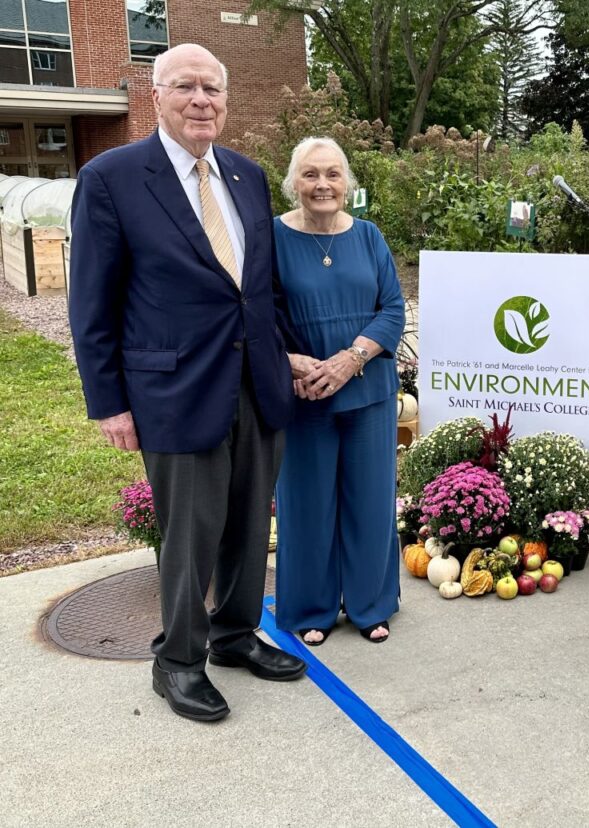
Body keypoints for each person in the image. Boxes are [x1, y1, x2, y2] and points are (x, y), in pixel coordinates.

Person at [68, 44, 307, 722]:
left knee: (247, 521)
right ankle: (177, 661)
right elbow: (91, 300)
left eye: (213, 89)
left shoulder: (246, 176)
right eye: (187, 88)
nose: (202, 100)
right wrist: (108, 400)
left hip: (255, 381)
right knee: (190, 534)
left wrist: (290, 357)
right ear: (157, 97)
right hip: (173, 390)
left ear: (227, 103)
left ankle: (234, 636)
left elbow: (260, 287)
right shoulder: (112, 177)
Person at [272, 137, 405, 646]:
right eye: (310, 174)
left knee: (371, 502)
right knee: (306, 505)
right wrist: (289, 361)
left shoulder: (369, 236)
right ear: (293, 182)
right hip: (304, 395)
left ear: (347, 183)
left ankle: (372, 604)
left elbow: (392, 307)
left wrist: (353, 359)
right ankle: (311, 608)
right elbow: (256, 313)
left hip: (367, 391)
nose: (322, 184)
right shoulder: (271, 238)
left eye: (332, 174)